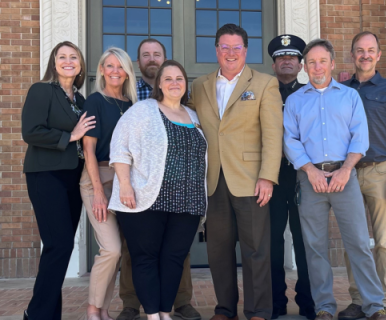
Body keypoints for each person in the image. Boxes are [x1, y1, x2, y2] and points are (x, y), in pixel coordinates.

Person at [283, 38, 386, 320]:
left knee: (357, 242)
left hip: (346, 176)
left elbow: (360, 137)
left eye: (322, 61)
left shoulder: (349, 96)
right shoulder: (294, 101)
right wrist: (310, 171)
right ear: (305, 67)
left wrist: (345, 170)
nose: (317, 67)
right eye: (312, 62)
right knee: (315, 248)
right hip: (310, 179)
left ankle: (374, 305)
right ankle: (324, 308)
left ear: (332, 63)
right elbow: (290, 140)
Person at [187, 24, 283, 320]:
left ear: (246, 51)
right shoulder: (199, 86)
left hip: (252, 181)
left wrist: (268, 176)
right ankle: (225, 309)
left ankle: (259, 311)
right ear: (216, 50)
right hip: (213, 181)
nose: (230, 53)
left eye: (236, 48)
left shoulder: (265, 83)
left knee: (256, 251)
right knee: (218, 252)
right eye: (224, 47)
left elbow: (272, 134)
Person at [109, 60, 207, 320]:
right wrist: (125, 186)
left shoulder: (193, 115)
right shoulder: (143, 110)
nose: (174, 83)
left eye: (179, 78)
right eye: (168, 78)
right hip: (145, 198)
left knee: (174, 258)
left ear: (185, 84)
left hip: (187, 201)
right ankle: (153, 315)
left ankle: (165, 312)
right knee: (146, 259)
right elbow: (120, 148)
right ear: (159, 84)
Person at [339, 32, 386, 320]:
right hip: (348, 173)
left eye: (371, 50)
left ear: (379, 55)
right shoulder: (342, 90)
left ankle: (384, 302)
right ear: (352, 54)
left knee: (383, 241)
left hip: (381, 171)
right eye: (360, 50)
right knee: (353, 240)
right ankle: (358, 300)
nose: (365, 55)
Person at [21, 41, 95, 320]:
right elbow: (31, 131)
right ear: (54, 63)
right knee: (59, 244)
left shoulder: (80, 100)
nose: (67, 61)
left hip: (72, 177)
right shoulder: (42, 90)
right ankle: (37, 313)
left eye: (73, 57)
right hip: (46, 174)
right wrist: (71, 136)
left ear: (80, 65)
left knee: (61, 247)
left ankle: (48, 313)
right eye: (61, 57)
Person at [80, 47, 137, 320]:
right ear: (102, 70)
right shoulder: (94, 101)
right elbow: (88, 150)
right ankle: (93, 309)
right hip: (97, 179)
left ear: (127, 72)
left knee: (120, 251)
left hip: (125, 181)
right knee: (111, 248)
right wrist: (99, 192)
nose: (115, 71)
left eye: (120, 66)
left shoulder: (132, 105)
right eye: (109, 66)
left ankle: (103, 310)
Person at [266, 34, 315, 320]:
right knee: (272, 242)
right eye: (280, 57)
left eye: (292, 57)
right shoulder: (263, 92)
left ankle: (308, 301)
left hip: (302, 177)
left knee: (304, 241)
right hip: (271, 178)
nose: (286, 61)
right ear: (273, 65)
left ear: (300, 65)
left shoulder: (311, 94)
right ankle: (275, 302)